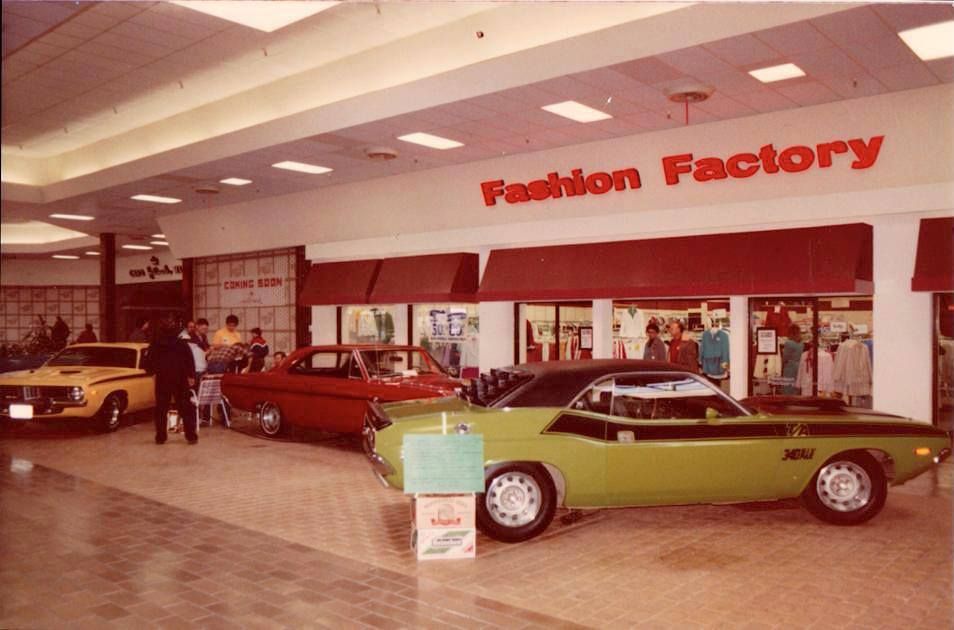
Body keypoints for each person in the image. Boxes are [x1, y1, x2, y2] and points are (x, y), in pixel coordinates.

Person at [143, 314, 197, 445]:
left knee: (161, 408)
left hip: (162, 378)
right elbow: (189, 360)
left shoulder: (156, 343)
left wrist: (152, 373)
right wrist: (191, 376)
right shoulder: (181, 343)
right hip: (180, 377)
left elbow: (148, 360)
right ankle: (190, 435)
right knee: (184, 406)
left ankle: (161, 436)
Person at [781, 323, 804, 395]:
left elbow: (785, 357)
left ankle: (788, 400)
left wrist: (782, 364)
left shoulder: (788, 343)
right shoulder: (801, 343)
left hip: (790, 367)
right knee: (796, 386)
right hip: (798, 365)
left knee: (788, 387)